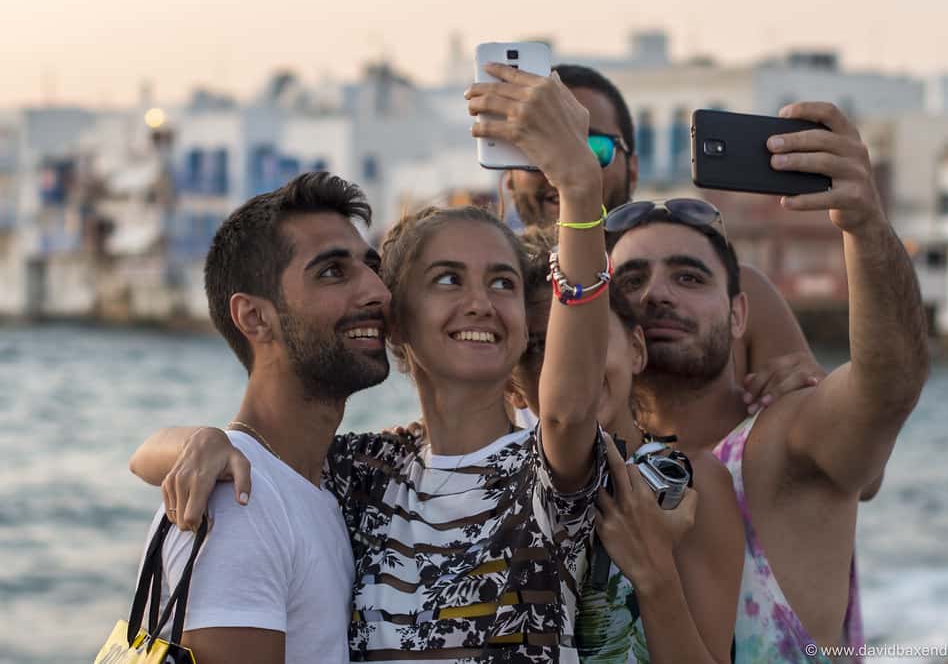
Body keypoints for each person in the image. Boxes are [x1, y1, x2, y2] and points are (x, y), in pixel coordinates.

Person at [131, 63, 619, 663]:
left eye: (503, 283)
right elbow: (201, 459)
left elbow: (568, 410)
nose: (480, 303)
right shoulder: (367, 471)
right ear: (397, 320)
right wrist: (199, 442)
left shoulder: (545, 468)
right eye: (447, 280)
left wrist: (580, 188)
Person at [603, 102, 930, 660]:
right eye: (632, 280)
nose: (656, 294)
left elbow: (888, 385)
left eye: (688, 277)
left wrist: (865, 225)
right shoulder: (589, 462)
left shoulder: (785, 445)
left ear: (738, 315)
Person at [127, 172, 391, 663]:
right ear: (254, 317)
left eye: (371, 267)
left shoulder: (314, 487)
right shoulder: (240, 505)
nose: (378, 291)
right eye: (333, 272)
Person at [505, 63, 829, 424]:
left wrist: (806, 387)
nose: (563, 166)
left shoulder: (737, 290)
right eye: (539, 151)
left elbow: (830, 444)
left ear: (633, 170)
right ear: (507, 176)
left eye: (594, 149)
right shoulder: (493, 298)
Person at [509, 226, 743, 663]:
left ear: (636, 349)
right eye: (539, 348)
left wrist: (654, 573)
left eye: (591, 336)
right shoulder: (497, 487)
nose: (572, 369)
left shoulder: (690, 486)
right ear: (513, 386)